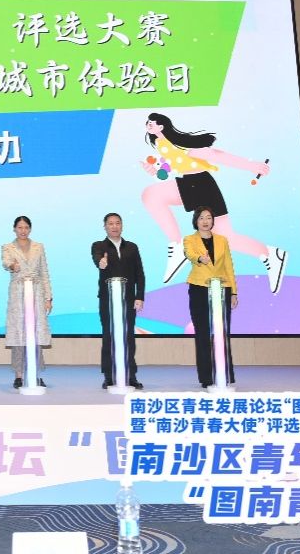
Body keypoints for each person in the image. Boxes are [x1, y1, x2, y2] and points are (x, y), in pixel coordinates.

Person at [141, 113, 287, 293]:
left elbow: (215, 155)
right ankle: (271, 254)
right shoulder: (162, 144)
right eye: (148, 123)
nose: (148, 125)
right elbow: (172, 165)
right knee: (152, 195)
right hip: (191, 183)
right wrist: (155, 170)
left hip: (200, 184)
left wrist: (251, 166)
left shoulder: (178, 143)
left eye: (152, 123)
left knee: (226, 238)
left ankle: (270, 255)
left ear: (161, 126)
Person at [184, 206, 238, 388]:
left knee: (222, 333)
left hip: (221, 289)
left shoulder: (222, 240)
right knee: (203, 333)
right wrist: (200, 258)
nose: (205, 221)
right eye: (201, 218)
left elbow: (229, 266)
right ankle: (206, 377)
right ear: (196, 221)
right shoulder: (189, 239)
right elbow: (190, 254)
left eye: (208, 217)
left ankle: (225, 375)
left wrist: (234, 291)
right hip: (199, 289)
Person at [91, 213, 145, 390]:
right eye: (110, 223)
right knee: (109, 335)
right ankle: (109, 376)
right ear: (105, 226)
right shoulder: (99, 246)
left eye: (117, 223)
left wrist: (139, 296)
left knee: (128, 336)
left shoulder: (132, 247)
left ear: (122, 226)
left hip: (128, 299)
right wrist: (101, 262)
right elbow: (97, 258)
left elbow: (139, 273)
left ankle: (131, 375)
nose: (114, 226)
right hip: (107, 299)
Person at [1, 216, 53, 389]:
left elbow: (44, 272)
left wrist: (48, 297)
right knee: (19, 334)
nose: (23, 231)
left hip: (36, 292)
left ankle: (35, 373)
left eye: (26, 227)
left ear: (30, 229)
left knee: (35, 333)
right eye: (19, 227)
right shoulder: (8, 247)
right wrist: (12, 266)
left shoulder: (39, 247)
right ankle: (18, 375)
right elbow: (6, 262)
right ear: (14, 229)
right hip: (18, 293)